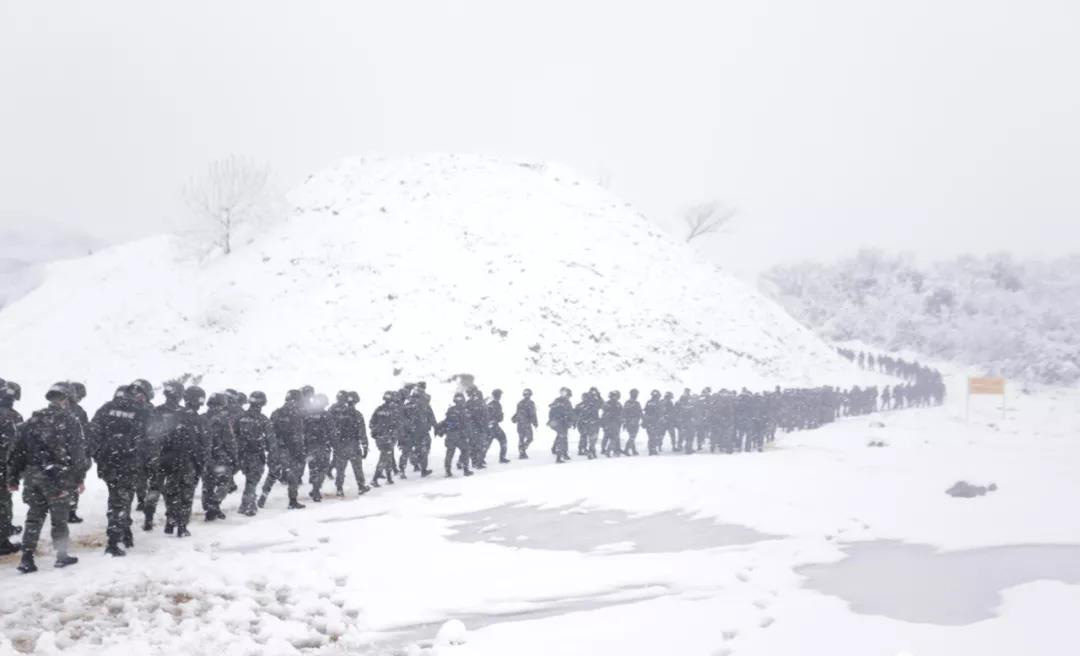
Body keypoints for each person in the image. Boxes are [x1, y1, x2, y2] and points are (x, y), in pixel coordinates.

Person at [7, 383, 88, 573]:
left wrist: (13, 477)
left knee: (34, 518)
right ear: (66, 400)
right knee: (59, 520)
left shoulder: (32, 420)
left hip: (33, 477)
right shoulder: (70, 421)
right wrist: (79, 477)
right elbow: (77, 454)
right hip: (58, 478)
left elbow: (17, 451)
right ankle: (61, 556)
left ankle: (27, 559)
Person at [89, 382, 150, 556]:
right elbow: (149, 439)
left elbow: (92, 435)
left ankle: (125, 532)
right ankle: (114, 541)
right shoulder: (140, 412)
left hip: (109, 465)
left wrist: (100, 456)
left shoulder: (105, 409)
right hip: (129, 465)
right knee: (122, 501)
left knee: (117, 498)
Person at [160, 386, 206, 537]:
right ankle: (182, 526)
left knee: (172, 492)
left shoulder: (173, 415)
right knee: (186, 495)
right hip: (188, 463)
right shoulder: (197, 419)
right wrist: (200, 464)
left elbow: (164, 439)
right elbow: (201, 444)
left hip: (172, 461)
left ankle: (171, 519)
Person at [142, 381, 185, 530]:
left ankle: (148, 519)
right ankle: (170, 520)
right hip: (176, 457)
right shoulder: (183, 413)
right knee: (172, 491)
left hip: (158, 456)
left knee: (154, 488)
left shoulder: (157, 411)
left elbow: (148, 434)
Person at [261, 390, 306, 510]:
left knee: (272, 474)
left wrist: (272, 447)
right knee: (293, 476)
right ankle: (292, 501)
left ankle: (262, 498)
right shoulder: (297, 414)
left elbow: (269, 432)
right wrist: (300, 452)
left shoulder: (276, 412)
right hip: (290, 450)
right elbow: (298, 435)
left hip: (276, 449)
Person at [236, 391, 274, 515]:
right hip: (256, 454)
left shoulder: (240, 417)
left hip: (241, 454)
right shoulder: (263, 420)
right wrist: (272, 452)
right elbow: (271, 440)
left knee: (249, 479)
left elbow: (233, 436)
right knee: (253, 480)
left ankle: (244, 504)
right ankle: (250, 505)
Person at [201, 393, 238, 521]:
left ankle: (210, 509)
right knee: (225, 483)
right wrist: (234, 458)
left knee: (208, 484)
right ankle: (214, 504)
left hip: (204, 458)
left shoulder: (201, 418)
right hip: (220, 457)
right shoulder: (223, 421)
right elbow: (230, 442)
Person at [330, 391, 371, 496]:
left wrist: (335, 443)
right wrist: (365, 446)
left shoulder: (338, 415)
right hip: (353, 444)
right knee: (357, 467)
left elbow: (333, 430)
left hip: (341, 444)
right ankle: (361, 486)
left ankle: (339, 488)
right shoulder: (357, 415)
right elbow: (362, 432)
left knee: (340, 469)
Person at [0, 382, 24, 555]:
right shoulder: (13, 417)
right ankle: (2, 542)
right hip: (4, 467)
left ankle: (5, 529)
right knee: (3, 503)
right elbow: (19, 446)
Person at [66, 381, 90, 524]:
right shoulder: (79, 412)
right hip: (74, 452)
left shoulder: (57, 408)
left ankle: (61, 510)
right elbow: (85, 434)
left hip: (57, 453)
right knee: (75, 481)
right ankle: (70, 512)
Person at [304, 393, 335, 502]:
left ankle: (314, 488)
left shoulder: (307, 414)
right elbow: (332, 431)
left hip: (310, 446)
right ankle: (316, 489)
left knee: (313, 468)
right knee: (323, 468)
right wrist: (334, 444)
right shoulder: (327, 415)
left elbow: (303, 430)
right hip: (324, 446)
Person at [437, 393, 472, 477]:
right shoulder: (465, 410)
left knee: (450, 452)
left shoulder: (451, 410)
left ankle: (448, 470)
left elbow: (447, 421)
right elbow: (466, 424)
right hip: (460, 435)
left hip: (451, 434)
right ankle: (466, 470)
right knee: (465, 451)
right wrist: (469, 434)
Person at [370, 391, 399, 487]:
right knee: (385, 457)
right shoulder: (394, 410)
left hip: (380, 438)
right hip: (388, 438)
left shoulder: (379, 409)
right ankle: (375, 479)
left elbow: (371, 423)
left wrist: (377, 431)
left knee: (388, 456)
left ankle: (389, 478)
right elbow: (398, 425)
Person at [548, 388, 574, 463]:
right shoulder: (559, 401)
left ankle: (562, 452)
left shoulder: (563, 401)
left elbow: (570, 412)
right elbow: (552, 411)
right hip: (559, 422)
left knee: (562, 436)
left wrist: (571, 421)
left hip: (562, 422)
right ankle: (559, 456)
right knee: (562, 437)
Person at [511, 389, 538, 459]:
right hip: (526, 424)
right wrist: (535, 422)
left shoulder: (520, 403)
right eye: (526, 394)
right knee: (529, 438)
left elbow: (518, 413)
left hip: (520, 423)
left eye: (528, 394)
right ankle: (522, 451)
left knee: (522, 438)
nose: (527, 396)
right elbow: (533, 414)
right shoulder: (531, 403)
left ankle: (522, 452)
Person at [487, 389, 510, 464]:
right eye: (499, 395)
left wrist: (500, 417)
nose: (499, 397)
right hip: (491, 427)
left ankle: (502, 458)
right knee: (487, 444)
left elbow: (499, 418)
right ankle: (479, 460)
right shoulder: (492, 405)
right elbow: (488, 416)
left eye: (499, 395)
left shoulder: (496, 404)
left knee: (503, 440)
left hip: (494, 426)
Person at [600, 391, 623, 457]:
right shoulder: (617, 404)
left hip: (607, 422)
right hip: (614, 422)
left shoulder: (606, 404)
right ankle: (609, 450)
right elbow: (620, 413)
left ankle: (603, 449)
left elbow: (604, 413)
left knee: (606, 436)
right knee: (614, 437)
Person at [622, 389, 642, 456]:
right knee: (632, 436)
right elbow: (640, 413)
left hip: (629, 422)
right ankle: (626, 449)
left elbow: (624, 413)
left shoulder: (627, 403)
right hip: (633, 422)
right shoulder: (636, 403)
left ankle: (633, 450)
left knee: (632, 436)